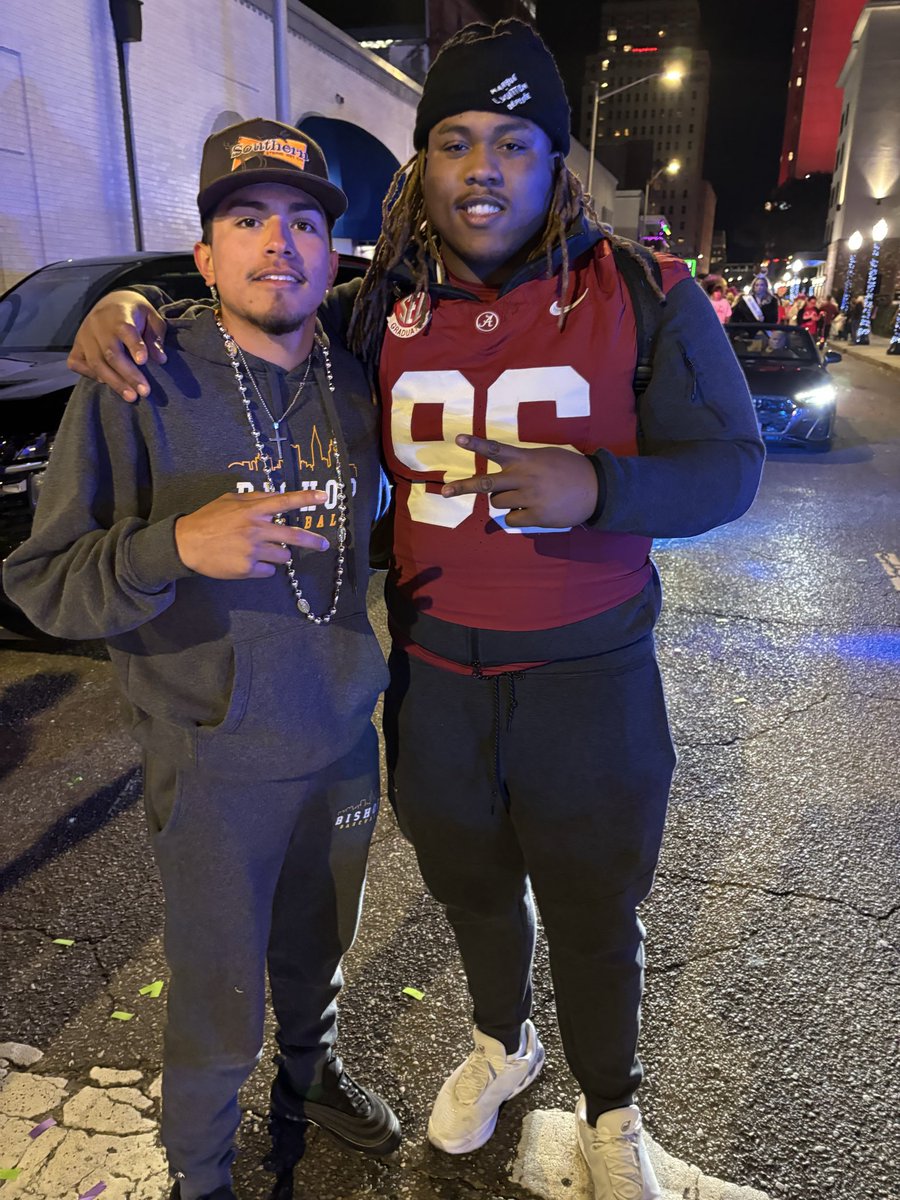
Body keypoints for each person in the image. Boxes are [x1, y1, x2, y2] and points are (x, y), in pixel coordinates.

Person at [66, 22, 765, 1200]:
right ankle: (504, 1043)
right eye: (453, 142)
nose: (481, 167)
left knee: (597, 904)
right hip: (437, 670)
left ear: (555, 163)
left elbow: (733, 464)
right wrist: (130, 305)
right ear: (421, 167)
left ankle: (612, 1104)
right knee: (471, 886)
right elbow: (256, 326)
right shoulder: (373, 303)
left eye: (512, 140)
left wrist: (601, 487)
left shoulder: (645, 290)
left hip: (589, 673)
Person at [3, 119, 402, 1200]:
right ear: (208, 251)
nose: (280, 243)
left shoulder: (358, 377)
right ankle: (203, 1173)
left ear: (335, 248)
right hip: (213, 757)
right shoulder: (137, 376)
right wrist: (175, 545)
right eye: (248, 219)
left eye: (306, 223)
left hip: (340, 741)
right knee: (217, 997)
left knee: (318, 958)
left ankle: (311, 1082)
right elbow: (41, 578)